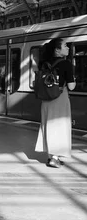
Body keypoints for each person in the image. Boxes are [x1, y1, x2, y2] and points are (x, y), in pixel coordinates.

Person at [35, 38, 75, 168]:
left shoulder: (43, 63)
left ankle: (50, 157)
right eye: (65, 46)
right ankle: (55, 158)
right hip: (60, 98)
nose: (68, 48)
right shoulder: (66, 64)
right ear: (57, 50)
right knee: (60, 126)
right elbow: (71, 86)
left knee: (47, 125)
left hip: (45, 99)